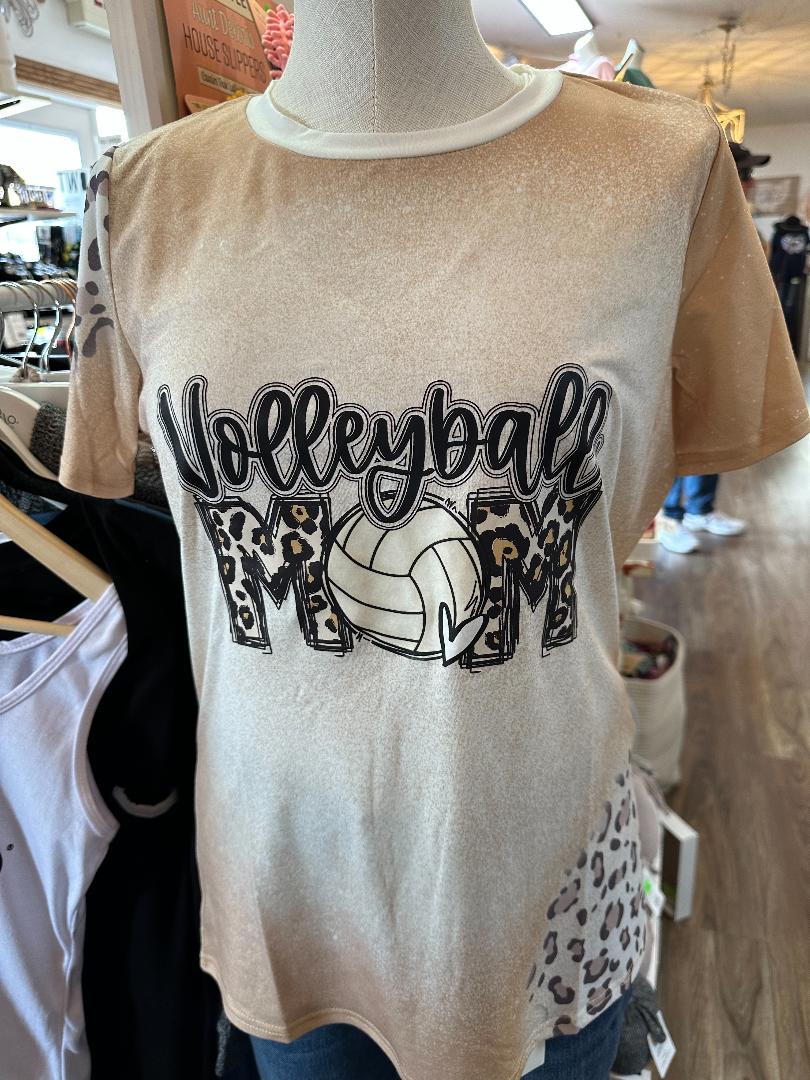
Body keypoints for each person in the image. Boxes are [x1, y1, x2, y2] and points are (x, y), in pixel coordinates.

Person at [659, 141, 771, 555]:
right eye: (744, 174)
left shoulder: (739, 223)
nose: (751, 183)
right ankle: (669, 516)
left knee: (714, 423)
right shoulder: (682, 219)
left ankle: (700, 510)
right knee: (679, 429)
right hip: (680, 340)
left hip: (724, 339)